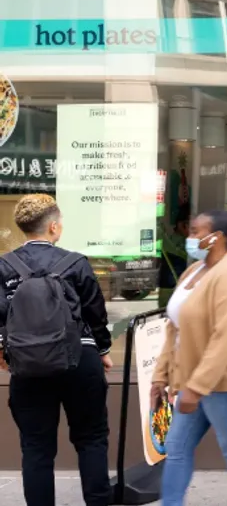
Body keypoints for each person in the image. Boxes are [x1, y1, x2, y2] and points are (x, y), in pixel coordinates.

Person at [0, 194, 113, 506]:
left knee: (36, 448)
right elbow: (95, 314)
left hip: (28, 366)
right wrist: (103, 350)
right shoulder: (75, 263)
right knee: (91, 439)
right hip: (80, 360)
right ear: (53, 227)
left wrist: (5, 353)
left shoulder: (4, 267)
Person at [151, 209, 227, 506]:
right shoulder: (195, 271)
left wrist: (197, 387)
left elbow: (226, 339)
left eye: (196, 231)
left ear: (217, 238)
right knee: (176, 449)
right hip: (194, 383)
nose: (190, 237)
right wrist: (160, 376)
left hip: (225, 384)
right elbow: (174, 328)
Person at [159, 214, 191, 309]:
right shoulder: (179, 244)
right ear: (182, 225)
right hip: (172, 290)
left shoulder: (169, 240)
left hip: (168, 289)